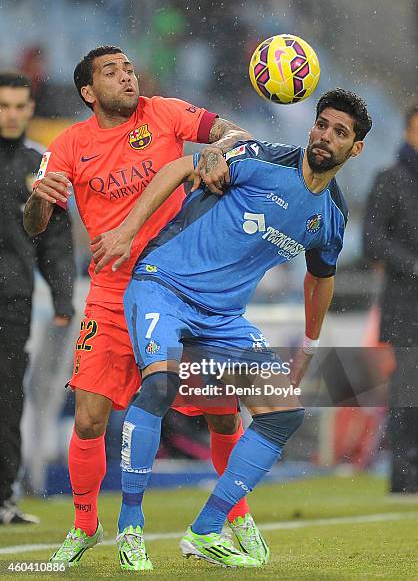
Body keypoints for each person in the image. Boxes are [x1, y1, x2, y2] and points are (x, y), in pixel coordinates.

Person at [92, 88, 372, 568]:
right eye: (322, 124)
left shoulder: (331, 217)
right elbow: (182, 168)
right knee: (160, 384)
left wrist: (310, 341)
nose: (326, 136)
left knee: (285, 412)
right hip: (164, 285)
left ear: (355, 148)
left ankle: (205, 531)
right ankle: (130, 527)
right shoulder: (263, 158)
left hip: (222, 319)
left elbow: (321, 278)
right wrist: (127, 229)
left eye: (339, 132)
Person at [23, 45, 267, 569]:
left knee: (223, 414)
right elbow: (34, 225)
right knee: (89, 418)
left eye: (129, 67)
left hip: (183, 290)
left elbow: (234, 131)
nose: (127, 76)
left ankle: (237, 516)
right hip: (112, 295)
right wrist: (41, 197)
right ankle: (85, 525)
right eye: (111, 72)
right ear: (89, 92)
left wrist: (218, 146)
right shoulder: (67, 145)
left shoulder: (165, 112)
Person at [0, 72, 74, 524]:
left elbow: (56, 241)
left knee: (8, 396)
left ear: (30, 109)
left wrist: (63, 300)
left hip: (13, 298)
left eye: (18, 106)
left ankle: (2, 498)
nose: (11, 114)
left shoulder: (41, 167)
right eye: (3, 105)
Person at [363, 104, 418, 494]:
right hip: (406, 305)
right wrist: (414, 267)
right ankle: (405, 475)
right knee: (409, 392)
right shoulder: (390, 179)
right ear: (408, 131)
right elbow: (372, 241)